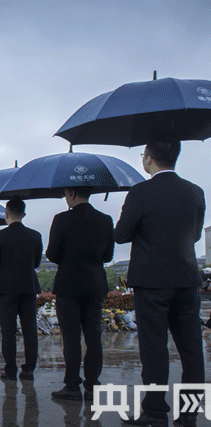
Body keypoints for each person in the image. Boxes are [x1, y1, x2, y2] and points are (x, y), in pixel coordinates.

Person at [114, 138, 205, 426]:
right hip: (187, 279)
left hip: (152, 281)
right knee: (192, 351)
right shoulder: (195, 191)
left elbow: (121, 234)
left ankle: (154, 412)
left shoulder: (141, 191)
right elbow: (197, 236)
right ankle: (188, 415)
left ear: (149, 159)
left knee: (154, 349)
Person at [46, 187, 114, 402]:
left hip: (68, 285)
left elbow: (52, 253)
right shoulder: (105, 220)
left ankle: (72, 386)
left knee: (71, 337)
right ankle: (93, 385)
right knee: (94, 337)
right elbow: (109, 254)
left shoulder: (61, 219)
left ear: (72, 193)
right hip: (94, 284)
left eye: (66, 194)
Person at [0, 198, 42, 381]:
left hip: (6, 289)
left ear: (7, 214)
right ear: (24, 214)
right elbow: (37, 262)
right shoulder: (35, 235)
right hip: (28, 287)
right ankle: (29, 370)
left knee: (8, 331)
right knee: (30, 330)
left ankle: (10, 370)